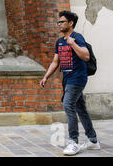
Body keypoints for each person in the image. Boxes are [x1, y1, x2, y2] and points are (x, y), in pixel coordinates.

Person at [40, 10, 99, 156]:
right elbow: (55, 62)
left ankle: (73, 142)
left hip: (77, 78)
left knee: (68, 105)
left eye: (62, 22)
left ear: (71, 23)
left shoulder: (77, 38)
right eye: (58, 22)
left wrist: (73, 44)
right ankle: (92, 140)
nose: (59, 24)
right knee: (81, 109)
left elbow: (85, 56)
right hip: (67, 79)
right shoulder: (59, 41)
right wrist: (46, 76)